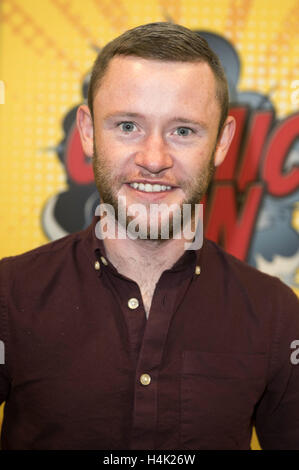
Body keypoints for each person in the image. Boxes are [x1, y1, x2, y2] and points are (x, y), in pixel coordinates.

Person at [0, 22, 298, 451]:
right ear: (87, 132)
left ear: (221, 142)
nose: (154, 159)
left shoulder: (276, 314)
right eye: (127, 126)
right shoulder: (10, 295)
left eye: (183, 130)